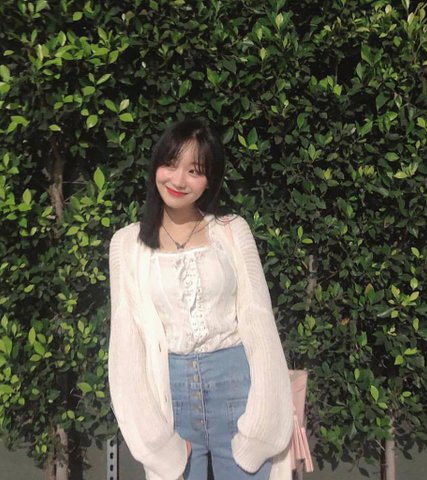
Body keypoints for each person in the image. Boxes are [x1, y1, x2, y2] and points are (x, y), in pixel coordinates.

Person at [108, 119, 294, 480]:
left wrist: (260, 428)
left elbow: (258, 320)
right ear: (156, 166)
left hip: (237, 391)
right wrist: (156, 443)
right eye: (170, 164)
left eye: (194, 171)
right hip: (171, 399)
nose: (178, 180)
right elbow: (126, 347)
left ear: (209, 180)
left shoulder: (231, 230)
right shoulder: (126, 244)